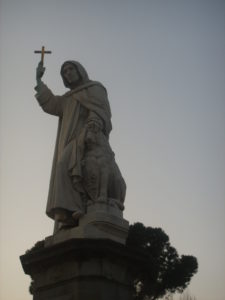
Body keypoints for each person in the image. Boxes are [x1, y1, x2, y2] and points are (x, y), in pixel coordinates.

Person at [35, 60, 126, 228]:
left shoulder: (95, 89)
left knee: (68, 165)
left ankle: (74, 210)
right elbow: (52, 105)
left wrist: (92, 125)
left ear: (80, 70)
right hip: (69, 140)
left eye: (70, 69)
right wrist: (39, 81)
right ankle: (72, 212)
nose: (68, 73)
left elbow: (101, 111)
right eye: (64, 72)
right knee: (64, 166)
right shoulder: (67, 98)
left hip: (89, 137)